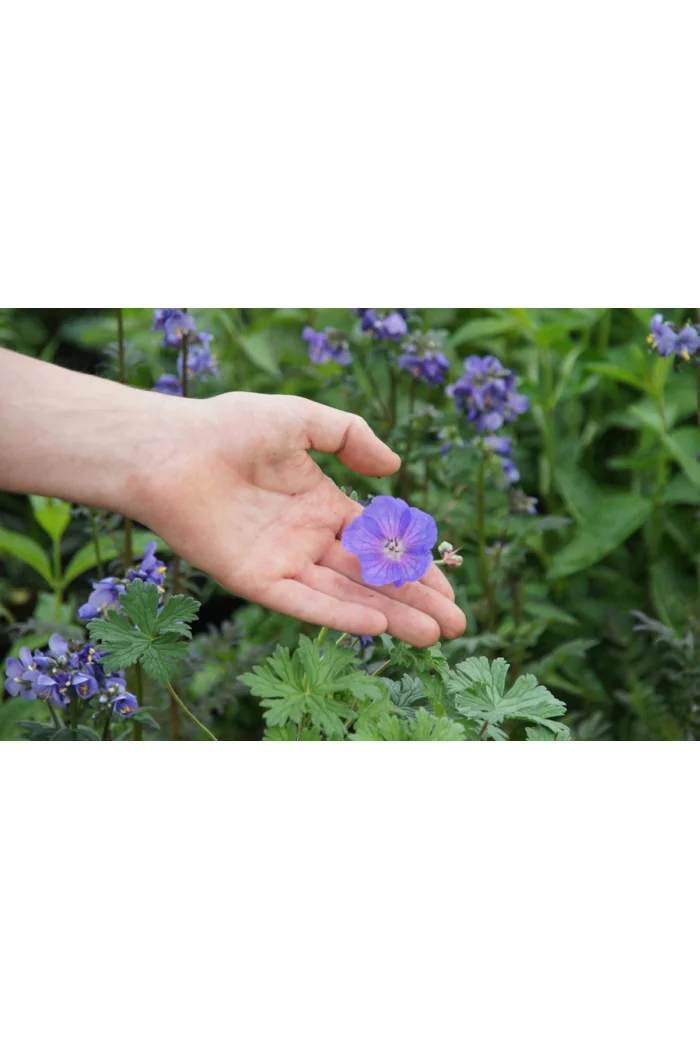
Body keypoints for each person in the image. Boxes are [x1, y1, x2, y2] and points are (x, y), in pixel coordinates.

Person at [0, 348, 466, 647]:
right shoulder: (374, 537)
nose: (391, 544)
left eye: (395, 545)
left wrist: (158, 447)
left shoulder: (408, 542)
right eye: (390, 543)